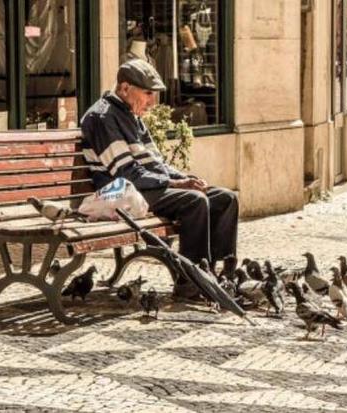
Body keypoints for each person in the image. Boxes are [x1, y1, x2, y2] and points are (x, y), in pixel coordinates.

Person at [80, 59, 238, 296]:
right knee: (194, 201)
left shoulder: (131, 115)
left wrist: (186, 178)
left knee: (225, 198)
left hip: (145, 188)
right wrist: (175, 183)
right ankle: (190, 282)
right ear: (125, 88)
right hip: (123, 196)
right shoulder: (103, 118)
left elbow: (157, 163)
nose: (152, 102)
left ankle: (217, 274)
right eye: (147, 93)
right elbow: (126, 173)